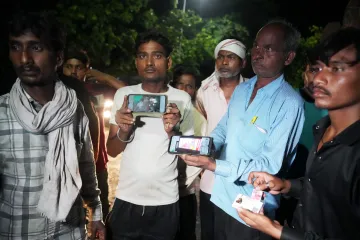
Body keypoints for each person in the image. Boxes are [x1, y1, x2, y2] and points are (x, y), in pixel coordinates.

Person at [182, 19, 305, 240]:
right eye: (256, 46)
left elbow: (269, 166)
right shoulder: (242, 90)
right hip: (221, 197)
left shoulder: (289, 103)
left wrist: (213, 164)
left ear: (288, 57)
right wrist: (204, 147)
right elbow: (222, 130)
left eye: (268, 49)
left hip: (252, 211)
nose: (258, 54)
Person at [237, 27, 360, 240]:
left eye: (338, 69)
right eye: (318, 68)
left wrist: (275, 230)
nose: (319, 79)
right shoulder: (323, 130)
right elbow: (320, 189)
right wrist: (285, 185)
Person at [0, 12, 105, 239]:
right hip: (18, 231)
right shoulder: (2, 113)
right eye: (16, 47)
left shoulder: (73, 108)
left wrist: (96, 214)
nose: (24, 58)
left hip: (69, 232)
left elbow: (86, 166)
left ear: (58, 58)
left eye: (36, 48)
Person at [106, 31, 194, 240]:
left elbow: (189, 151)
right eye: (143, 56)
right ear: (136, 62)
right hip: (126, 198)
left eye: (157, 55)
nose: (149, 62)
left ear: (168, 61)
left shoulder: (181, 99)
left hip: (165, 201)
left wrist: (172, 131)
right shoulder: (123, 95)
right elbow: (111, 150)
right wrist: (124, 130)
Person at [195, 38, 247, 240]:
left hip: (241, 177)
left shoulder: (253, 92)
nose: (224, 62)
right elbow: (201, 128)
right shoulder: (204, 91)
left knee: (237, 232)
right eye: (221, 57)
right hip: (210, 176)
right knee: (210, 231)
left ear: (243, 63)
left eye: (231, 57)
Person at [172, 64, 207, 240]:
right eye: (180, 84)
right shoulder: (158, 113)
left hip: (185, 193)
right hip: (157, 194)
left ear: (195, 90)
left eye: (190, 86)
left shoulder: (199, 120)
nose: (184, 90)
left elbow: (199, 154)